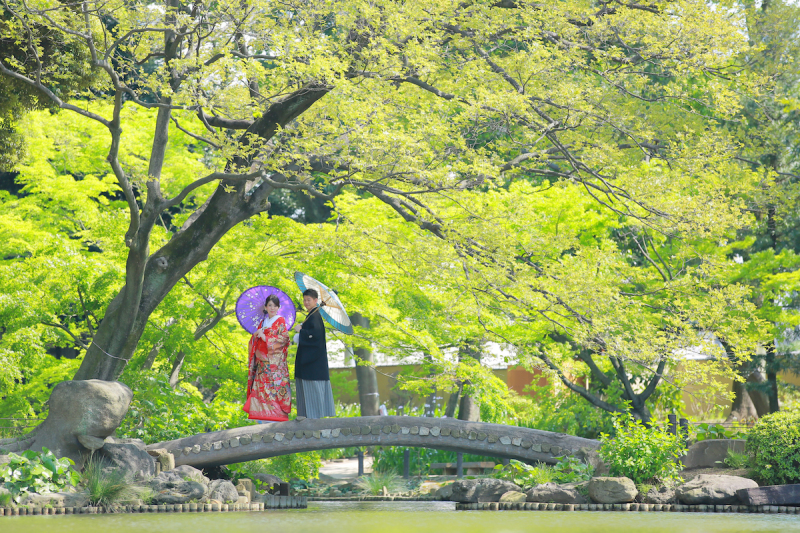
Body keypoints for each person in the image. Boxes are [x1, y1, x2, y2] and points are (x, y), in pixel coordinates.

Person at [243, 295, 292, 422]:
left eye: (275, 305)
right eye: (270, 305)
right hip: (261, 365)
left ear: (278, 307)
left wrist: (265, 338)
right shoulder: (263, 322)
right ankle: (261, 419)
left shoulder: (280, 320)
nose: (272, 308)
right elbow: (254, 341)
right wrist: (255, 336)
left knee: (273, 392)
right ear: (265, 307)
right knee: (261, 393)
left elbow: (284, 339)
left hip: (273, 366)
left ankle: (274, 419)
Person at [293, 288, 336, 419]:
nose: (306, 302)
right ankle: (308, 420)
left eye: (309, 300)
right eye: (305, 300)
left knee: (313, 395)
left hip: (312, 366)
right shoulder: (312, 315)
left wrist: (301, 331)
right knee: (307, 394)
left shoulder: (315, 317)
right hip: (309, 365)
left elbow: (315, 336)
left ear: (316, 301)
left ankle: (313, 422)